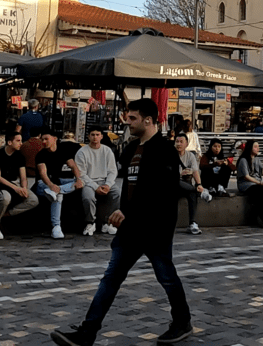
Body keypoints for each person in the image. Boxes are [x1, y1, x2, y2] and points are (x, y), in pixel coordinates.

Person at [50, 99, 194, 346]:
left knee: (166, 276)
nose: (128, 122)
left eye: (133, 118)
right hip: (130, 229)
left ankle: (182, 322)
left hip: (155, 228)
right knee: (111, 278)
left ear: (148, 120)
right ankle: (87, 332)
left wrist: (132, 214)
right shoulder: (131, 149)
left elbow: (164, 194)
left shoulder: (164, 150)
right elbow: (131, 189)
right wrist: (123, 213)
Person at [0, 132, 39, 240]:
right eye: (18, 141)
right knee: (5, 198)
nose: (21, 143)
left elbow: (23, 177)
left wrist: (24, 188)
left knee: (33, 200)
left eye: (21, 140)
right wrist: (16, 188)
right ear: (9, 142)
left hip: (14, 183)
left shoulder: (20, 156)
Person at [34, 129, 85, 236]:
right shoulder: (40, 155)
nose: (44, 142)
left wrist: (78, 179)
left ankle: (57, 191)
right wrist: (51, 185)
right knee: (58, 195)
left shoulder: (62, 150)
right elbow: (43, 174)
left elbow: (73, 166)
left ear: (55, 139)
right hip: (42, 184)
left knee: (83, 181)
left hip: (57, 181)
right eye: (42, 139)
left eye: (46, 139)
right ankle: (56, 226)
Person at [76, 128, 120, 238]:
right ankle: (90, 222)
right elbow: (81, 174)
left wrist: (108, 184)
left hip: (105, 180)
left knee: (117, 193)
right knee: (88, 197)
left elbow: (112, 170)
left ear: (101, 136)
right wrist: (95, 187)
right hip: (89, 182)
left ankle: (107, 222)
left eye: (97, 134)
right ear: (88, 136)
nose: (95, 137)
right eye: (92, 134)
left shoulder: (107, 151)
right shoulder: (82, 152)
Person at [174, 133, 210, 235]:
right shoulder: (169, 156)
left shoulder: (190, 156)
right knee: (176, 181)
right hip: (172, 185)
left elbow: (195, 171)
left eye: (181, 142)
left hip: (186, 185)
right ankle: (202, 192)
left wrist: (199, 184)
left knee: (192, 194)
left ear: (186, 144)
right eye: (177, 142)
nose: (179, 144)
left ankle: (192, 223)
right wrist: (180, 173)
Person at [236, 139, 263, 227]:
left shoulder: (256, 159)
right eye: (255, 147)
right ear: (250, 148)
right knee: (261, 190)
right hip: (246, 184)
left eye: (258, 147)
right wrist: (259, 183)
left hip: (256, 183)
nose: (258, 148)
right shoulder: (243, 160)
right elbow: (246, 176)